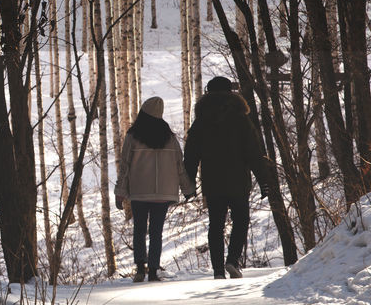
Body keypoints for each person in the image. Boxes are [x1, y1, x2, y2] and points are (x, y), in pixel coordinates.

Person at [182, 77, 272, 279]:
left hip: (213, 182)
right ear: (231, 92)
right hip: (238, 180)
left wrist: (188, 184)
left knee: (216, 224)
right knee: (241, 220)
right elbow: (253, 152)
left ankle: (217, 270)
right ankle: (232, 260)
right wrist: (263, 179)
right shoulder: (241, 119)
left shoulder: (201, 121)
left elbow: (191, 154)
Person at [114, 96, 195, 283]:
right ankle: (152, 270)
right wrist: (187, 188)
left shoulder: (133, 136)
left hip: (139, 192)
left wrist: (120, 192)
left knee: (139, 230)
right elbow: (179, 167)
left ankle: (140, 268)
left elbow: (125, 166)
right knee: (156, 232)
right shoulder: (170, 138)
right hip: (163, 194)